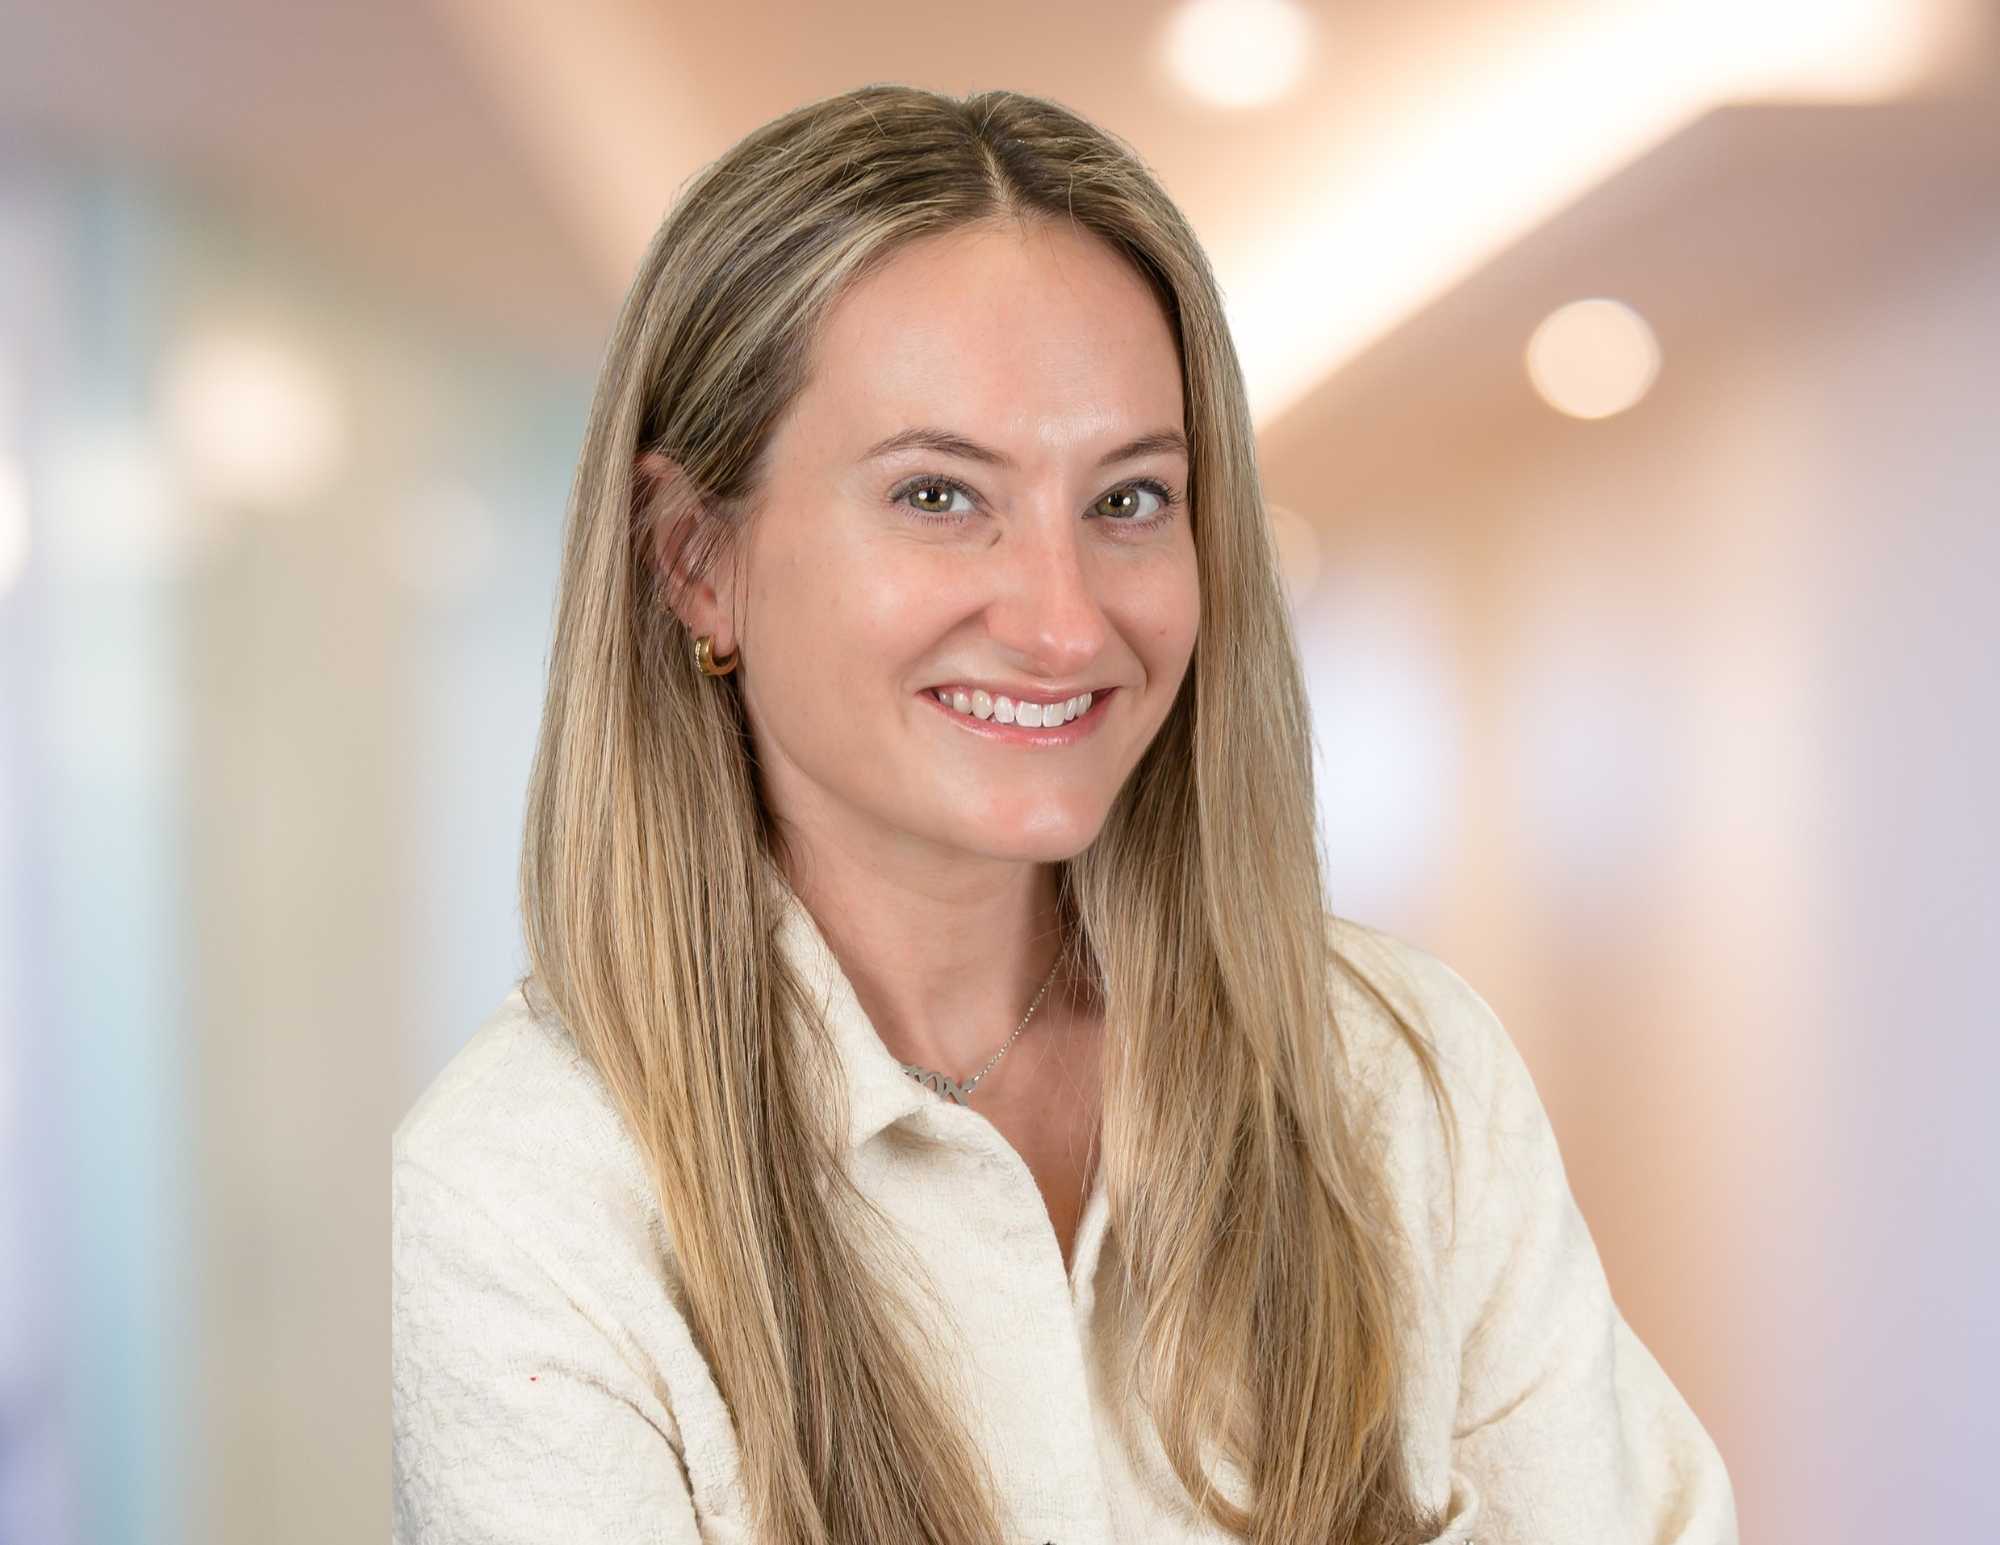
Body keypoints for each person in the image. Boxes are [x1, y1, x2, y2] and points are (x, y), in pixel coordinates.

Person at [391, 83, 1738, 1545]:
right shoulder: (532, 1190)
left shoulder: (1402, 1076)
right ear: (693, 560)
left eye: (1130, 500)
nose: (1064, 622)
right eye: (937, 495)